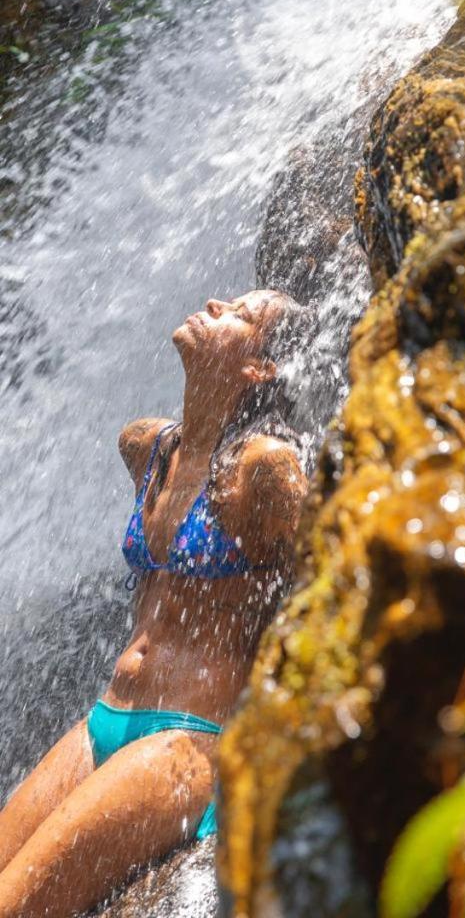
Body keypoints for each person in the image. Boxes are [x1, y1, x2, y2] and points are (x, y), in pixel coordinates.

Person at [0, 290, 310, 918]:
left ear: (259, 368)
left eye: (241, 315)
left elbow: (332, 579)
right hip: (105, 719)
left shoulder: (267, 470)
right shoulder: (151, 449)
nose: (217, 304)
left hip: (188, 741)